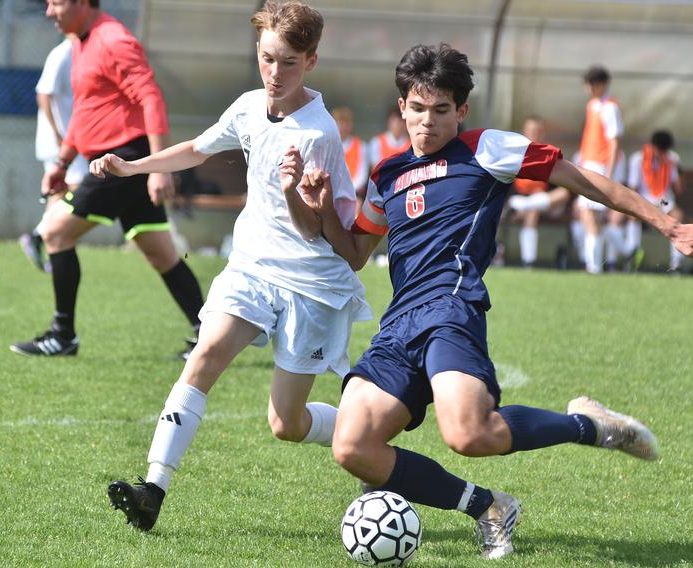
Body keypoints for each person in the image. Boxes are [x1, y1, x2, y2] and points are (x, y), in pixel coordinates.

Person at [296, 43, 692, 559]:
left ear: (461, 111)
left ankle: (590, 425)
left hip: (451, 309)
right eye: (417, 109)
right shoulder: (385, 176)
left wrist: (666, 222)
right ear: (402, 108)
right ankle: (489, 506)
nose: (428, 122)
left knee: (468, 433)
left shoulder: (487, 148)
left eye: (442, 111)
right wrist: (324, 208)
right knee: (352, 447)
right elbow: (353, 252)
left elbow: (581, 178)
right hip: (398, 324)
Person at [95, 0, 371, 532]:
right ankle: (152, 490)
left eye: (288, 62)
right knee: (203, 357)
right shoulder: (247, 106)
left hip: (311, 281)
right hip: (250, 268)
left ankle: (365, 435)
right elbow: (198, 149)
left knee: (285, 423)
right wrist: (132, 166)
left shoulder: (317, 133)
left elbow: (318, 230)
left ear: (311, 61)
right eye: (267, 58)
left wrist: (296, 191)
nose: (274, 72)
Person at [10, 0, 206, 357]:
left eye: (56, 2)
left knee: (54, 234)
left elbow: (151, 98)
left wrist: (158, 167)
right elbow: (86, 110)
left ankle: (62, 335)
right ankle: (207, 333)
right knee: (161, 253)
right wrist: (62, 161)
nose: (49, 11)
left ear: (83, 3)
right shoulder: (82, 43)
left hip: (121, 161)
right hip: (114, 159)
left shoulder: (114, 40)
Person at [19, 34, 90, 273]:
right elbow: (43, 94)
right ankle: (41, 235)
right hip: (60, 142)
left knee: (60, 192)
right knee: (80, 184)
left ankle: (45, 239)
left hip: (71, 140)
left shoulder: (82, 53)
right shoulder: (62, 53)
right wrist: (58, 134)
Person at [575, 65, 624, 273]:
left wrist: (610, 174)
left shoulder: (610, 107)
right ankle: (628, 249)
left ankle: (593, 266)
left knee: (589, 213)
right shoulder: (592, 104)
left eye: (592, 85)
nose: (589, 89)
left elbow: (614, 142)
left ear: (602, 84)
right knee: (590, 214)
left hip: (602, 166)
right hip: (590, 163)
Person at [627, 130, 686, 272]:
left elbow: (679, 190)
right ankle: (632, 256)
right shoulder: (638, 159)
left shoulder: (671, 159)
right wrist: (635, 207)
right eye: (660, 150)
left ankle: (676, 264)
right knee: (633, 216)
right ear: (652, 146)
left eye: (665, 151)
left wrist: (678, 168)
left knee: (677, 216)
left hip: (664, 201)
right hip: (644, 200)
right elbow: (633, 188)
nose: (662, 154)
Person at [507, 116, 551, 267]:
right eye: (532, 131)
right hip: (518, 201)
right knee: (532, 212)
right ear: (524, 132)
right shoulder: (514, 154)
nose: (535, 134)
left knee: (563, 194)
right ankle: (529, 262)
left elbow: (558, 188)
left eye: (538, 131)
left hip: (545, 201)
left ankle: (531, 204)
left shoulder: (549, 155)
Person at [332, 106, 370, 199]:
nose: (343, 127)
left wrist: (347, 191)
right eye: (340, 123)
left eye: (347, 123)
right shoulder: (329, 145)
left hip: (354, 195)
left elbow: (362, 175)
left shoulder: (361, 146)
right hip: (332, 194)